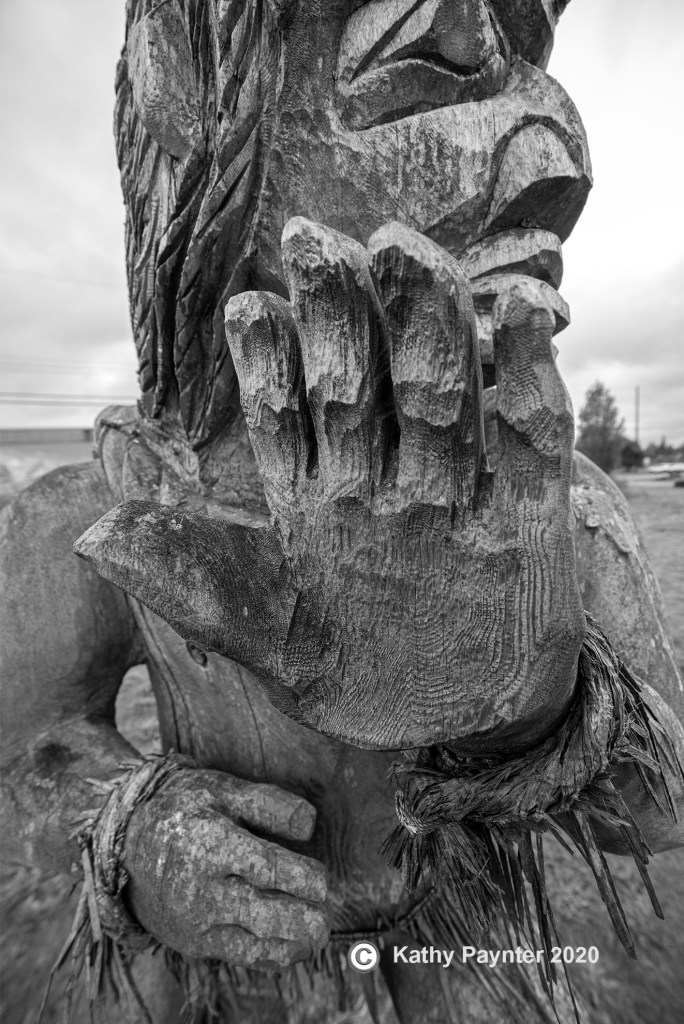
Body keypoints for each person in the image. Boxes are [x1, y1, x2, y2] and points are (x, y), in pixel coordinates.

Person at [2, 3, 683, 1022]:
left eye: (537, 59)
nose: (563, 153)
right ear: (190, 104)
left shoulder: (556, 504)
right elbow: (28, 754)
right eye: (431, 50)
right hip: (246, 987)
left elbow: (661, 808)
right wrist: (138, 833)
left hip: (466, 953)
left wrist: (536, 710)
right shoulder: (102, 501)